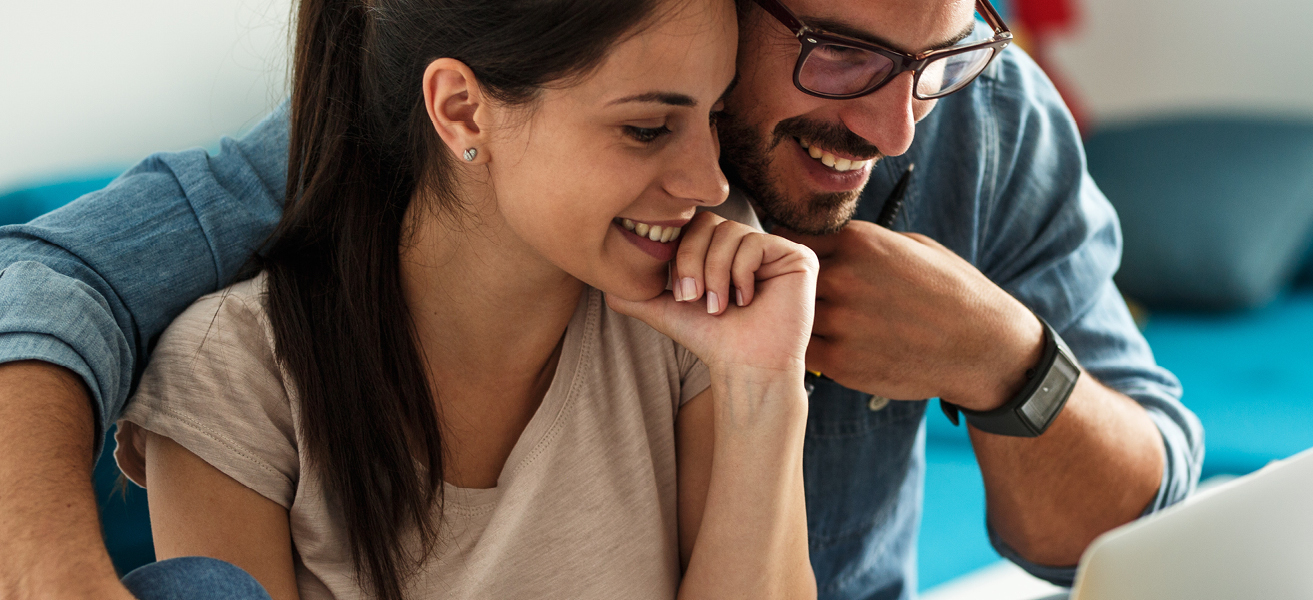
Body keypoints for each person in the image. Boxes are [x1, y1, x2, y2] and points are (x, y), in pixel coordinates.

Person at [0, 0, 1204, 598]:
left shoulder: (981, 120)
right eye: (845, 51)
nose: (896, 133)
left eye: (946, 54)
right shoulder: (453, 124)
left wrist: (1005, 363)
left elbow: (1137, 528)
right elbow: (47, 278)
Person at [109, 0, 820, 597]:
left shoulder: (693, 327)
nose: (710, 183)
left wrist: (765, 386)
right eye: (646, 129)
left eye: (714, 120)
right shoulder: (232, 376)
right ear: (462, 111)